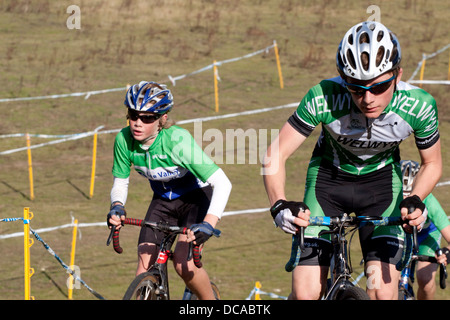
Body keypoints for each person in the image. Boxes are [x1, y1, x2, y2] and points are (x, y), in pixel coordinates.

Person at [262, 21, 442, 300]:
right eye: (356, 89)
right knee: (305, 292)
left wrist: (416, 198)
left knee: (382, 292)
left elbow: (432, 163)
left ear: (398, 74)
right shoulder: (323, 96)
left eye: (379, 87)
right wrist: (279, 204)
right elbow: (276, 153)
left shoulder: (419, 106)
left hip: (381, 188)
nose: (367, 99)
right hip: (327, 183)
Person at [107, 81, 232, 299]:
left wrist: (209, 224)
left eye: (147, 118)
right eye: (133, 115)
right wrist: (117, 206)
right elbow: (120, 181)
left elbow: (223, 183)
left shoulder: (177, 142)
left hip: (195, 199)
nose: (137, 123)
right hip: (163, 199)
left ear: (162, 119)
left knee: (184, 264)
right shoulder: (123, 139)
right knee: (144, 266)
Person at [400, 160, 450, 300]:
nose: (405, 200)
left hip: (427, 237)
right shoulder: (389, 199)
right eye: (401, 195)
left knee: (425, 280)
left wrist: (446, 253)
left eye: (409, 195)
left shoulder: (429, 201)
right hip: (400, 236)